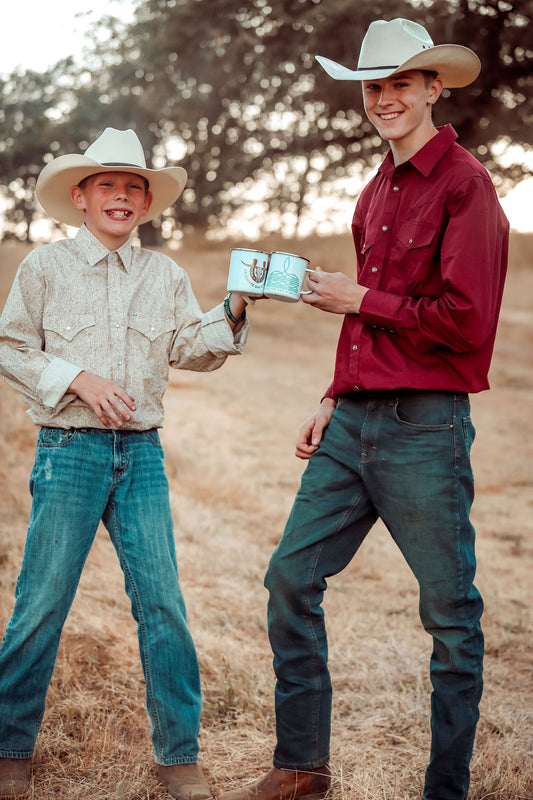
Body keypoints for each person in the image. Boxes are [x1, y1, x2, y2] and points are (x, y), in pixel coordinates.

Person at [220, 18, 508, 800]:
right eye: (372, 86)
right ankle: (300, 766)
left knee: (449, 618)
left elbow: (465, 322)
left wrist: (360, 298)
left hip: (424, 426)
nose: (382, 98)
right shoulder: (374, 187)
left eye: (398, 84)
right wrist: (330, 394)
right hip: (353, 421)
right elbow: (371, 321)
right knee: (289, 579)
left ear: (430, 89)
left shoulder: (466, 185)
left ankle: (444, 789)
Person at [0, 126, 251, 800]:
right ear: (80, 196)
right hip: (69, 452)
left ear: (145, 202)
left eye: (133, 187)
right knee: (42, 602)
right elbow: (10, 348)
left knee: (162, 603)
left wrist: (232, 307)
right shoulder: (44, 267)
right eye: (107, 185)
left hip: (140, 455)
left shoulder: (162, 274)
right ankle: (7, 749)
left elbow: (190, 348)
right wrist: (79, 378)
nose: (121, 196)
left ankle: (178, 757)